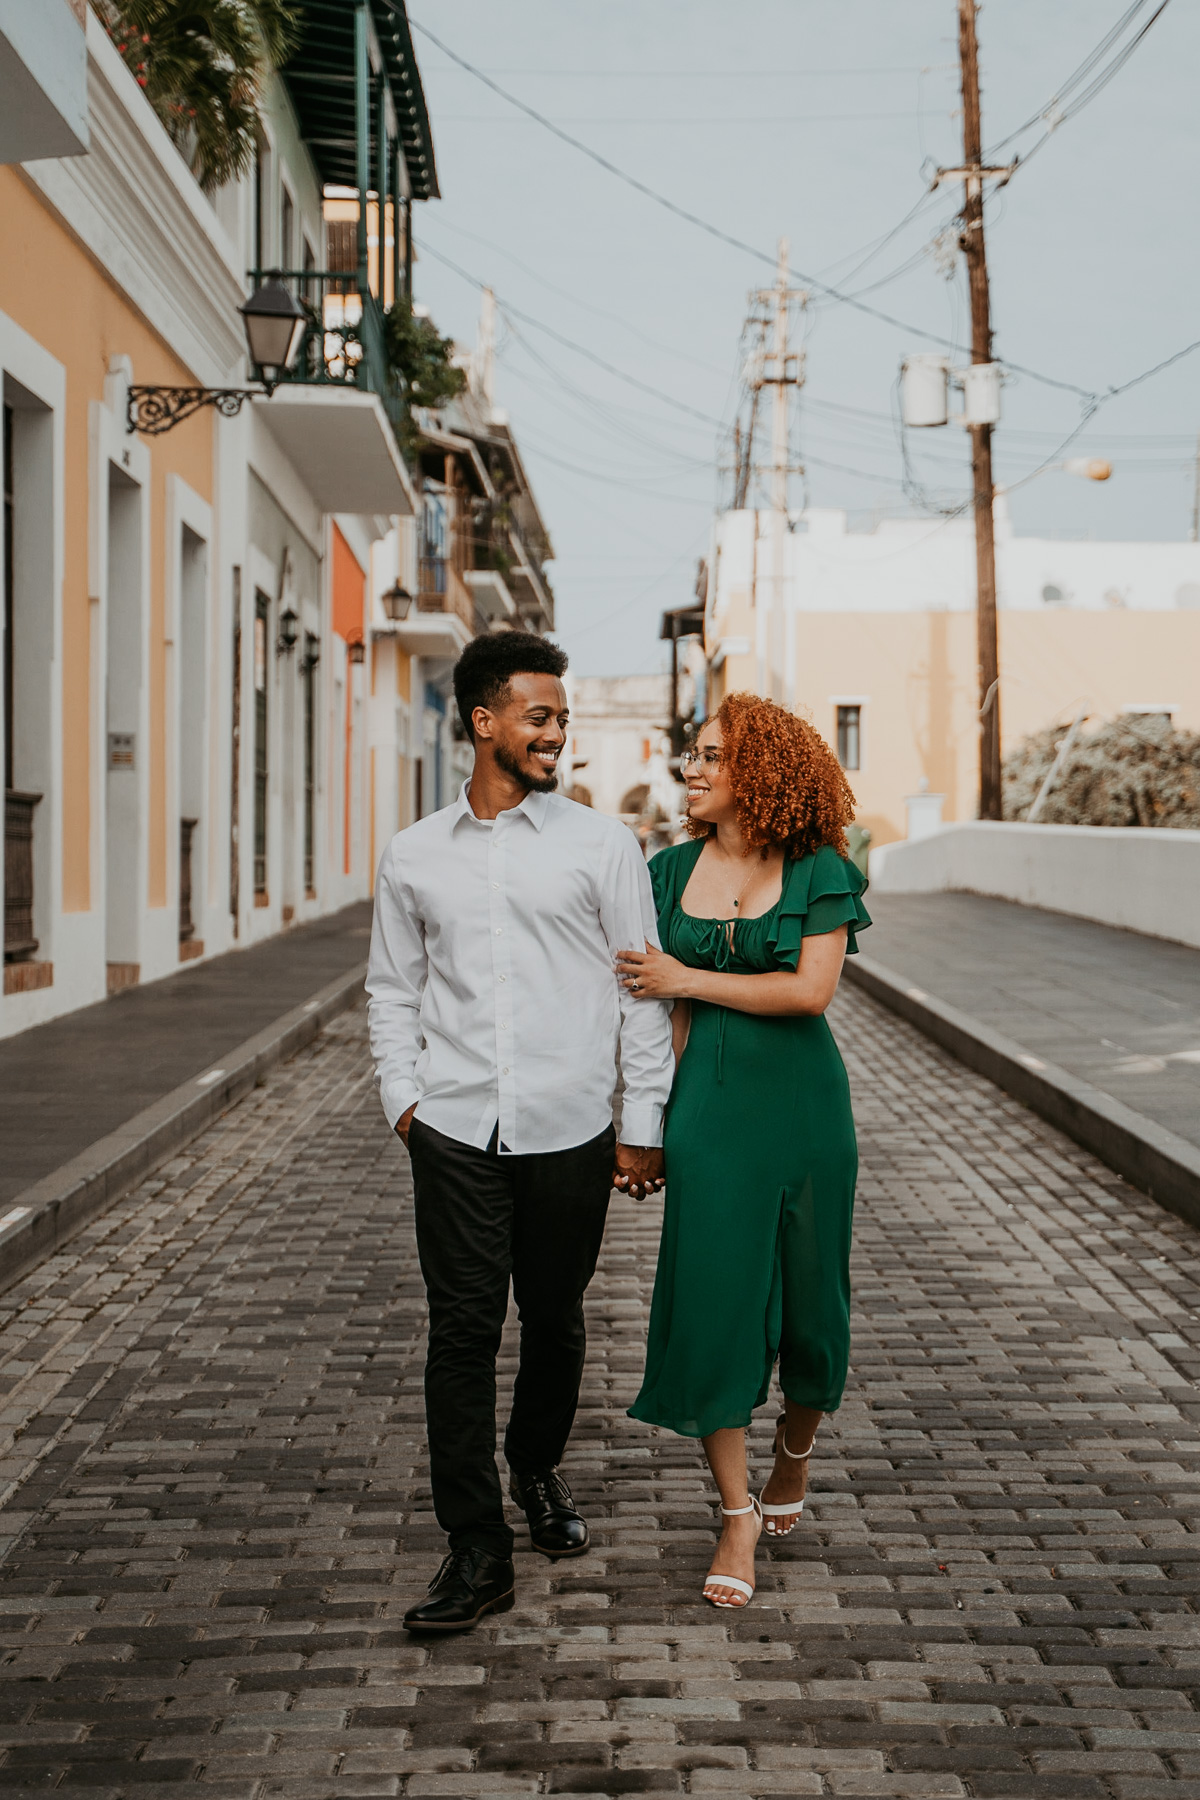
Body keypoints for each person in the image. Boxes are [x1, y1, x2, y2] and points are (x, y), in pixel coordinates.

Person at [367, 631, 673, 1633]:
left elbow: (638, 994)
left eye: (562, 719)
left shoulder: (601, 845)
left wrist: (639, 1123)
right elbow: (391, 992)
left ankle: (535, 1468)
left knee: (554, 1317)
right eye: (539, 716)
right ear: (484, 720)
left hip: (571, 1130)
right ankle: (476, 1545)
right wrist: (404, 1103)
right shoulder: (413, 854)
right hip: (453, 1129)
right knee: (461, 1332)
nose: (556, 734)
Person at [617, 692, 870, 1609]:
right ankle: (736, 1513)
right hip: (710, 1114)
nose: (693, 766)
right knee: (714, 1305)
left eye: (714, 756)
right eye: (694, 751)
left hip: (804, 1110)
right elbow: (659, 1013)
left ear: (760, 774)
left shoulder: (820, 869)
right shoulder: (664, 870)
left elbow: (810, 993)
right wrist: (652, 1128)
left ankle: (794, 1456)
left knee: (812, 1307)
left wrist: (688, 973)